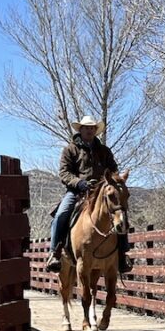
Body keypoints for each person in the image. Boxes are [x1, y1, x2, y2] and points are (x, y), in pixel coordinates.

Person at [45, 115, 133, 274]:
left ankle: (122, 254)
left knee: (120, 214)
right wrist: (79, 183)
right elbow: (64, 173)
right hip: (77, 191)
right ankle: (55, 253)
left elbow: (113, 170)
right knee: (61, 214)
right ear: (81, 130)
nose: (90, 130)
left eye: (92, 128)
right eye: (87, 128)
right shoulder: (70, 149)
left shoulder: (104, 151)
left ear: (95, 131)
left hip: (102, 192)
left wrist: (112, 181)